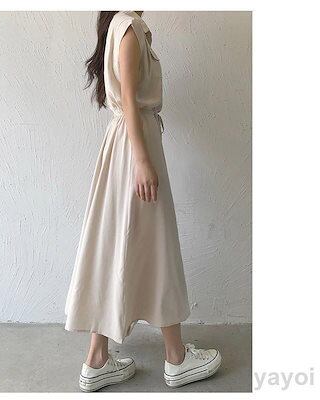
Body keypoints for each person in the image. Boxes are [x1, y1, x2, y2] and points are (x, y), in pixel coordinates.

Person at [64, 11, 221, 392]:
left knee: (116, 244)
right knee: (157, 245)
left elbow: (127, 102)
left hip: (125, 147)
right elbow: (132, 102)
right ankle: (176, 358)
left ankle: (97, 360)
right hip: (135, 149)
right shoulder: (129, 27)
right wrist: (143, 161)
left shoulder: (120, 26)